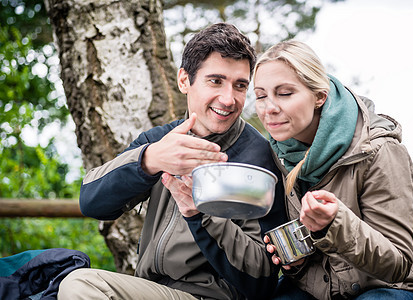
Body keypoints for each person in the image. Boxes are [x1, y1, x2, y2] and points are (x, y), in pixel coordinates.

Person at [57, 23, 287, 300]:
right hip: (150, 288)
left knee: (81, 285)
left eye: (240, 86)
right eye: (215, 81)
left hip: (213, 296)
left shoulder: (258, 157)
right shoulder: (160, 140)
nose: (228, 99)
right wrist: (149, 160)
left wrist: (199, 214)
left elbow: (261, 278)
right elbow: (92, 202)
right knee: (65, 279)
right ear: (184, 81)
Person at [252, 40, 413, 299]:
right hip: (318, 289)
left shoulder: (379, 150)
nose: (269, 108)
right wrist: (296, 263)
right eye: (260, 96)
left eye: (284, 93)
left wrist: (334, 224)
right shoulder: (277, 151)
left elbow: (398, 264)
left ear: (319, 96)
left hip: (386, 289)